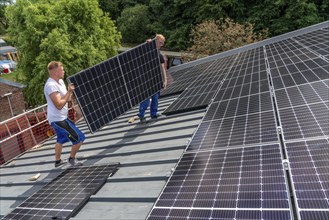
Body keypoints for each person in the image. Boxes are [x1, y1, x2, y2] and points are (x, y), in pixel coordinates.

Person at [44, 61, 85, 167]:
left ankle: (57, 161)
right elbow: (59, 105)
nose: (64, 71)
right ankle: (72, 159)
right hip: (58, 120)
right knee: (79, 138)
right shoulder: (51, 86)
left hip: (61, 117)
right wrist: (69, 92)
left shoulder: (61, 81)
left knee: (61, 139)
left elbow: (67, 98)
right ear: (56, 72)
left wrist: (74, 105)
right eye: (62, 69)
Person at [137, 34, 167, 122]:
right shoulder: (147, 49)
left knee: (155, 98)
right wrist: (147, 44)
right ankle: (141, 115)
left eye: (162, 44)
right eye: (160, 43)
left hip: (155, 80)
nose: (161, 45)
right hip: (146, 80)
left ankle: (153, 114)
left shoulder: (160, 55)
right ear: (156, 41)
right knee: (146, 99)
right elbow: (139, 52)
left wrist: (164, 80)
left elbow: (163, 69)